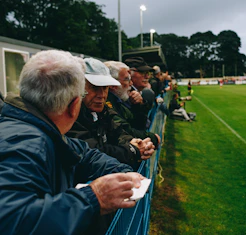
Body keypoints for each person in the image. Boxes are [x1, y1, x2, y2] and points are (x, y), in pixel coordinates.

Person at [0, 50, 145, 234]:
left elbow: (83, 153)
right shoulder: (26, 141)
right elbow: (10, 221)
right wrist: (93, 198)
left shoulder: (37, 129)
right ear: (74, 105)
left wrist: (122, 173)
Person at [67, 58, 155, 171]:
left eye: (105, 88)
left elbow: (118, 132)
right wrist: (132, 150)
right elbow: (92, 151)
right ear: (78, 87)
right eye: (95, 87)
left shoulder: (103, 111)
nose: (101, 95)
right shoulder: (70, 116)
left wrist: (136, 143)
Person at [104, 61, 161, 147]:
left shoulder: (120, 99)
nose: (131, 83)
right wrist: (152, 138)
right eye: (127, 79)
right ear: (112, 84)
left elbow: (137, 124)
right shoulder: (107, 103)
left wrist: (138, 105)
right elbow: (124, 129)